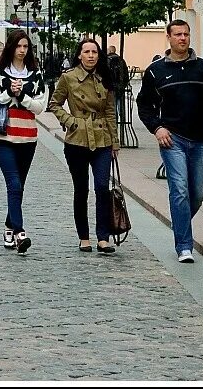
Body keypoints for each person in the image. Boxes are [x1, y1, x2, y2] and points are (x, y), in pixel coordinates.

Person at [135, 20, 203, 263]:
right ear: (169, 37)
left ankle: (180, 223)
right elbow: (145, 105)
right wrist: (157, 127)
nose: (183, 38)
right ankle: (184, 245)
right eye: (178, 34)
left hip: (200, 139)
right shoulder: (156, 71)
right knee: (180, 190)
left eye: (186, 34)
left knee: (198, 192)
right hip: (173, 139)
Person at [50, 38, 120, 254]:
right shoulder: (68, 78)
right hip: (77, 140)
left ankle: (103, 237)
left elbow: (109, 111)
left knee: (102, 188)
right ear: (79, 55)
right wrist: (70, 121)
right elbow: (54, 103)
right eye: (86, 52)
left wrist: (115, 142)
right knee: (81, 190)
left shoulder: (104, 78)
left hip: (102, 139)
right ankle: (84, 237)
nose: (91, 55)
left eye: (94, 52)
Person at [0, 30, 50, 254]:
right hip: (3, 137)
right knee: (13, 184)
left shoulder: (35, 74)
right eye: (18, 46)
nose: (22, 50)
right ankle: (20, 232)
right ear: (11, 47)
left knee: (19, 186)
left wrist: (22, 96)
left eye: (25, 47)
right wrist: (9, 92)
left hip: (27, 137)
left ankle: (8, 227)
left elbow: (40, 106)